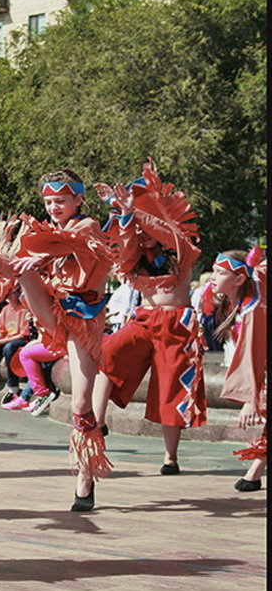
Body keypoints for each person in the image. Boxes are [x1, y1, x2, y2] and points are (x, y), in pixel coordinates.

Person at [0, 168, 115, 511]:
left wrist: (40, 254)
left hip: (84, 321)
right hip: (51, 308)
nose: (53, 207)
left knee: (80, 405)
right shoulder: (44, 232)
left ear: (79, 199)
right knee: (23, 269)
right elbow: (28, 261)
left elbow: (72, 243)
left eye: (61, 200)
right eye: (48, 202)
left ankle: (85, 481)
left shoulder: (87, 226)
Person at [92, 161, 206, 475]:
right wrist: (125, 214)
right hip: (145, 320)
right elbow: (126, 249)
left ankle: (171, 458)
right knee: (106, 354)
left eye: (146, 226)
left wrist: (133, 208)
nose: (144, 235)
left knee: (172, 391)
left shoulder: (182, 248)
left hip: (178, 325)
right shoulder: (138, 256)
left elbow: (167, 232)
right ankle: (97, 423)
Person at [209, 248, 266, 491]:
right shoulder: (242, 300)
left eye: (220, 272)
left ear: (240, 279)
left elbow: (253, 356)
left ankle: (255, 471)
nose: (212, 277)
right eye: (213, 271)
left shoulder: (254, 308)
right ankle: (255, 472)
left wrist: (251, 400)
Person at [0, 284, 33, 405]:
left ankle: (13, 386)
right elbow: (1, 330)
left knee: (9, 348)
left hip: (20, 341)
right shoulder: (5, 309)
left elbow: (23, 334)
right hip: (5, 340)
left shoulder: (24, 309)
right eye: (7, 293)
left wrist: (0, 342)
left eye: (12, 293)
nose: (9, 296)